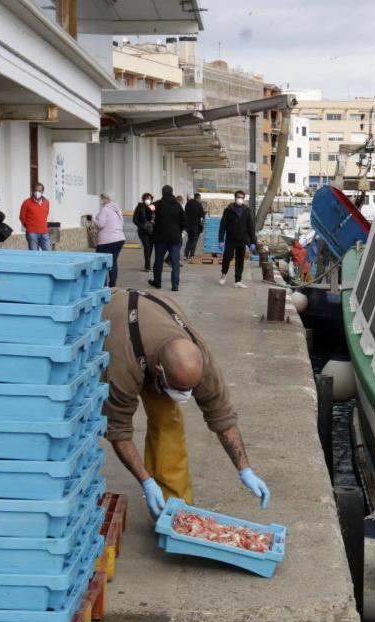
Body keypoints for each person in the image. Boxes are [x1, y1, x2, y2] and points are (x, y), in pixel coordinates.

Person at [102, 289, 271, 520]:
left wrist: (245, 470)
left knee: (167, 420)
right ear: (159, 371)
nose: (184, 396)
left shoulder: (199, 357)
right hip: (114, 328)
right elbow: (118, 431)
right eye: (178, 389)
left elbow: (222, 418)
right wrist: (146, 481)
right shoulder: (122, 367)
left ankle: (174, 508)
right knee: (95, 415)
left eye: (188, 390)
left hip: (153, 331)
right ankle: (156, 490)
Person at [148, 185, 185, 292]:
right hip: (174, 238)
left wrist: (153, 221)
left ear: (162, 192)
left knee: (158, 261)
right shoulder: (178, 206)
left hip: (160, 238)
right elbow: (184, 221)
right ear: (172, 192)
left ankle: (157, 282)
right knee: (175, 262)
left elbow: (149, 209)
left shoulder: (157, 204)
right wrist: (178, 229)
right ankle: (175, 285)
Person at [218, 190, 256, 289]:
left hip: (242, 240)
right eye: (239, 197)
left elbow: (250, 227)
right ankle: (223, 274)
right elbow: (222, 226)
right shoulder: (228, 210)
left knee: (240, 261)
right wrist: (221, 240)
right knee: (227, 257)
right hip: (230, 239)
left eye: (242, 197)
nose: (240, 199)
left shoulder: (246, 211)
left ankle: (238, 281)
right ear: (235, 197)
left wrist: (253, 242)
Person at [93, 192, 127, 287]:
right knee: (113, 262)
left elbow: (101, 224)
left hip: (106, 241)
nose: (101, 201)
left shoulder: (105, 209)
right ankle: (112, 285)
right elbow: (121, 224)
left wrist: (93, 219)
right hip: (119, 239)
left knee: (101, 263)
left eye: (102, 198)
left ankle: (102, 285)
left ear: (105, 199)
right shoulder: (117, 209)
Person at [19, 182, 51, 251]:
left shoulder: (46, 202)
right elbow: (22, 217)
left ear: (42, 191)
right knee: (34, 253)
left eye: (39, 191)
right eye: (35, 190)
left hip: (44, 232)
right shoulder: (26, 202)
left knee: (48, 252)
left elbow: (46, 214)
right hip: (32, 232)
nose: (37, 192)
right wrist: (28, 226)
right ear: (33, 191)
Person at [132, 193, 156, 272]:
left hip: (152, 230)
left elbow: (156, 216)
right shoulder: (139, 207)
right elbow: (135, 219)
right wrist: (142, 226)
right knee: (147, 247)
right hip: (143, 231)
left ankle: (148, 264)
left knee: (150, 248)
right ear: (143, 199)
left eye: (149, 198)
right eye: (146, 198)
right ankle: (147, 266)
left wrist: (154, 221)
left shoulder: (153, 207)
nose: (148, 200)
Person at [183, 193, 206, 263]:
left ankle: (185, 255)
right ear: (198, 198)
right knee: (194, 240)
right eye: (200, 198)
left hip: (188, 225)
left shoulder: (188, 204)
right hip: (195, 225)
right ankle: (191, 255)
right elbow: (202, 214)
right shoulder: (198, 205)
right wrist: (204, 212)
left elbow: (185, 212)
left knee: (189, 240)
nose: (200, 199)